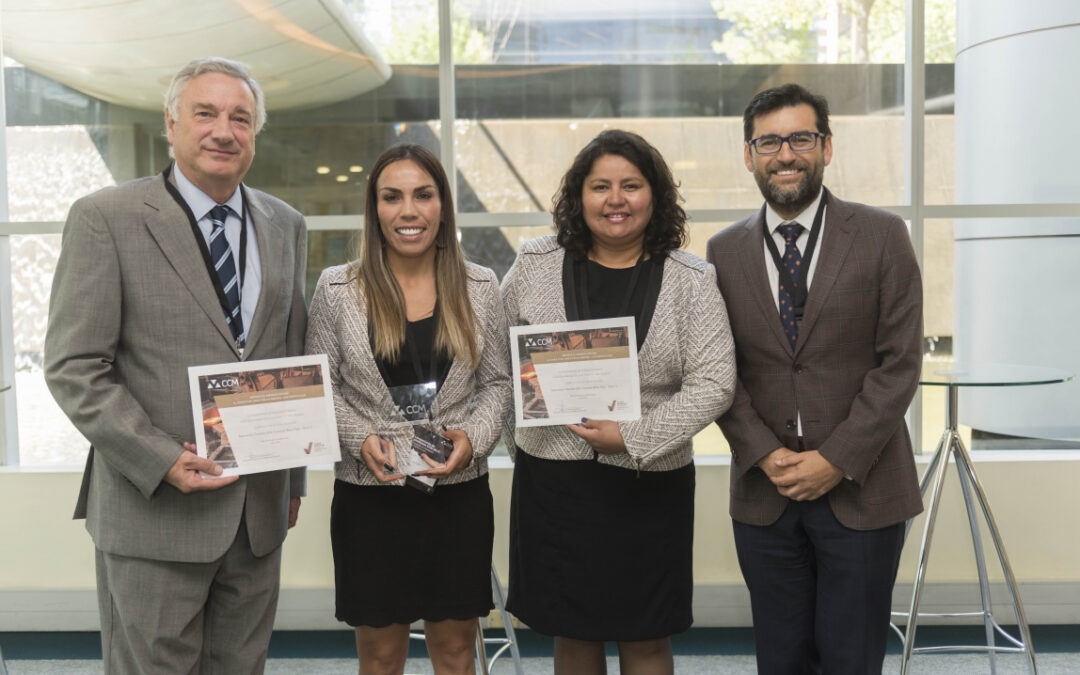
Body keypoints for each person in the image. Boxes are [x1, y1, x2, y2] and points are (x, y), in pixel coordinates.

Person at [43, 57, 307, 674]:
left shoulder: (284, 224)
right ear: (171, 124)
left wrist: (292, 480)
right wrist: (160, 458)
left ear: (255, 131)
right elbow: (74, 366)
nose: (224, 131)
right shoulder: (106, 218)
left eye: (240, 117)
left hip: (256, 516)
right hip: (153, 513)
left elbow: (287, 357)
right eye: (205, 113)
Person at [706, 83, 924, 674]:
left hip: (863, 488)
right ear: (749, 154)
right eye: (769, 141)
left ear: (827, 147)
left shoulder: (882, 237)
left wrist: (836, 458)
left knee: (852, 659)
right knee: (781, 659)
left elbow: (899, 362)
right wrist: (764, 452)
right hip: (765, 492)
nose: (786, 154)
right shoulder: (722, 252)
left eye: (801, 138)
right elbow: (717, 369)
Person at [502, 129, 736, 675]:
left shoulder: (691, 279)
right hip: (555, 483)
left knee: (647, 636)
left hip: (648, 482)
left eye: (631, 185)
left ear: (654, 196)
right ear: (578, 196)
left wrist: (631, 438)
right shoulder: (534, 264)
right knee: (573, 637)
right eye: (600, 186)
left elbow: (715, 382)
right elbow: (497, 361)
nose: (615, 199)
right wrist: (527, 433)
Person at [305, 144, 511, 675]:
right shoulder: (337, 289)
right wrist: (358, 438)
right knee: (380, 656)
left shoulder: (481, 285)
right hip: (369, 497)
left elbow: (498, 384)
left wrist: (474, 439)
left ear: (443, 205)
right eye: (391, 197)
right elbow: (318, 386)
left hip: (457, 493)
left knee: (455, 651)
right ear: (375, 210)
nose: (409, 211)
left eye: (423, 195)